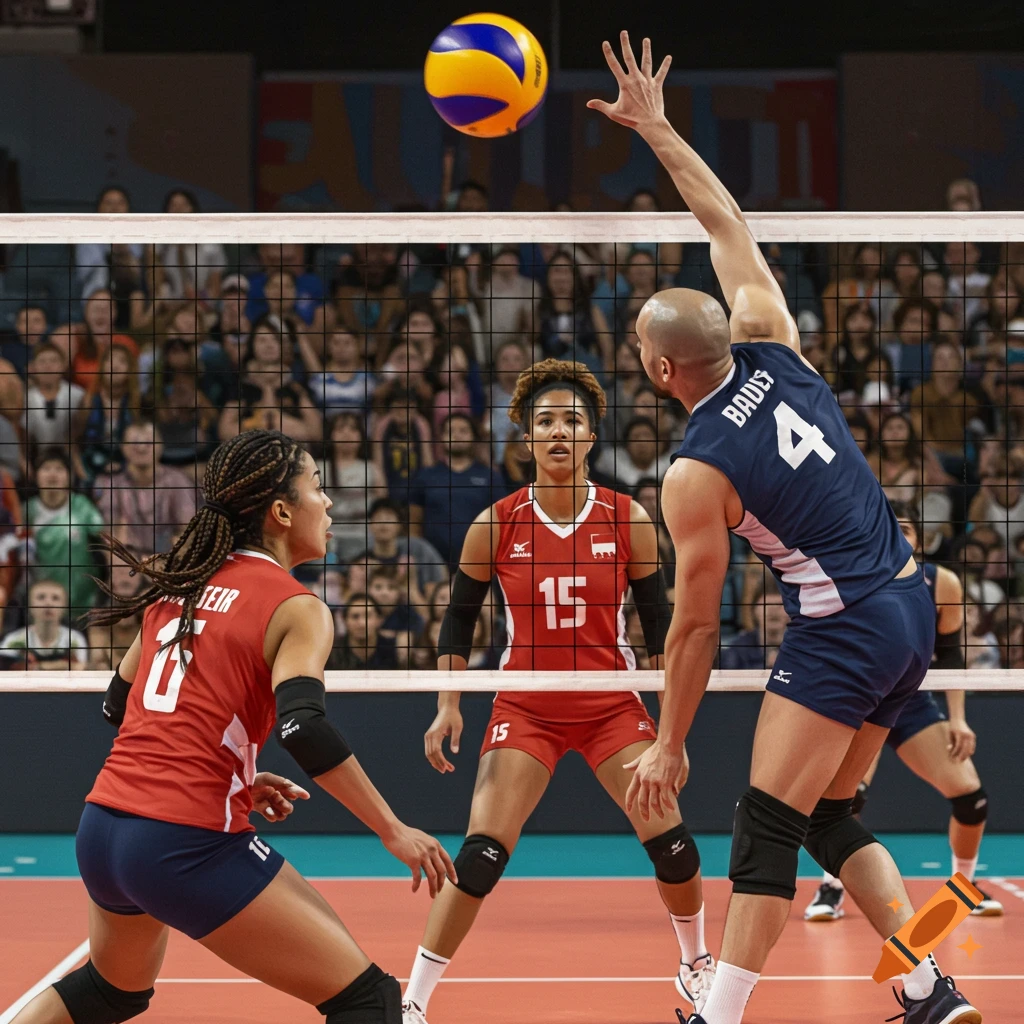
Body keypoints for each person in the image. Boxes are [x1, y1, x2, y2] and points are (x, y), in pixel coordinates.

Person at [589, 33, 979, 1024]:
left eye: (639, 345)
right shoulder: (772, 334)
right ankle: (930, 988)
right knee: (829, 813)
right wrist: (661, 130)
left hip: (842, 626)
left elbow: (692, 625)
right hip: (902, 603)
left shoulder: (696, 469)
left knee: (763, 821)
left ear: (660, 369)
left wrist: (670, 740)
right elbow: (722, 218)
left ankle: (716, 1015)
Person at [12, 429, 455, 1024]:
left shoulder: (181, 587)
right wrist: (392, 830)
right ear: (280, 512)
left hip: (104, 830)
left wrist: (232, 774)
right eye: (318, 488)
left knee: (110, 991)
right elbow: (305, 730)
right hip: (181, 842)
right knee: (368, 1002)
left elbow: (120, 704)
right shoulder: (297, 607)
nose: (328, 504)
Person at [400, 358, 712, 1024]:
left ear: (592, 435)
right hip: (527, 706)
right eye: (546, 422)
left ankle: (695, 965)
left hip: (611, 707)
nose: (559, 432)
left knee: (675, 845)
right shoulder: (496, 522)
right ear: (526, 437)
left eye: (572, 420)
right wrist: (447, 706)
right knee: (481, 855)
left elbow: (662, 631)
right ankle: (413, 1002)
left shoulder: (628, 519)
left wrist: (671, 735)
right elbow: (458, 621)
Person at [805, 502, 1002, 923]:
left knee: (972, 799)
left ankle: (964, 886)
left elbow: (950, 658)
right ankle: (831, 886)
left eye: (907, 528)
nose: (899, 535)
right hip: (860, 700)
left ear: (921, 538)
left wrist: (958, 718)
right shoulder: (849, 575)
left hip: (911, 701)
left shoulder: (940, 582)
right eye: (890, 527)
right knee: (845, 799)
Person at [409, 414, 506, 570]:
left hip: (479, 562)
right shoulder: (426, 476)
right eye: (451, 431)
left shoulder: (489, 477)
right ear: (442, 438)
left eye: (463, 431)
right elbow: (414, 521)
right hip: (433, 562)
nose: (457, 435)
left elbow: (501, 522)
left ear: (473, 437)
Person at [0, 578, 88, 670]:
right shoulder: (14, 641)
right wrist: (60, 665)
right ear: (29, 606)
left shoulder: (75, 640)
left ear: (64, 607)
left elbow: (79, 669)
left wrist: (38, 666)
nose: (48, 603)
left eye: (55, 598)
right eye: (41, 597)